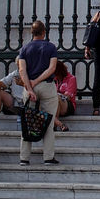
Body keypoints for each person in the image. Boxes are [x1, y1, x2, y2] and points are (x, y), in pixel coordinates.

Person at [17, 19, 59, 166]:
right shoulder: (50, 47)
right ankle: (48, 157)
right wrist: (38, 81)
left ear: (31, 32)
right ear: (44, 32)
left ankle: (24, 157)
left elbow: (22, 70)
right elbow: (52, 68)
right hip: (47, 86)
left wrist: (29, 87)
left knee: (27, 121)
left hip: (30, 88)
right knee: (48, 121)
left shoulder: (24, 49)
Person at [53, 60, 77, 131]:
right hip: (55, 104)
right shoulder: (54, 80)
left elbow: (68, 97)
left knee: (56, 98)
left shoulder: (71, 79)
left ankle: (54, 125)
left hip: (68, 105)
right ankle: (59, 124)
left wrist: (57, 95)